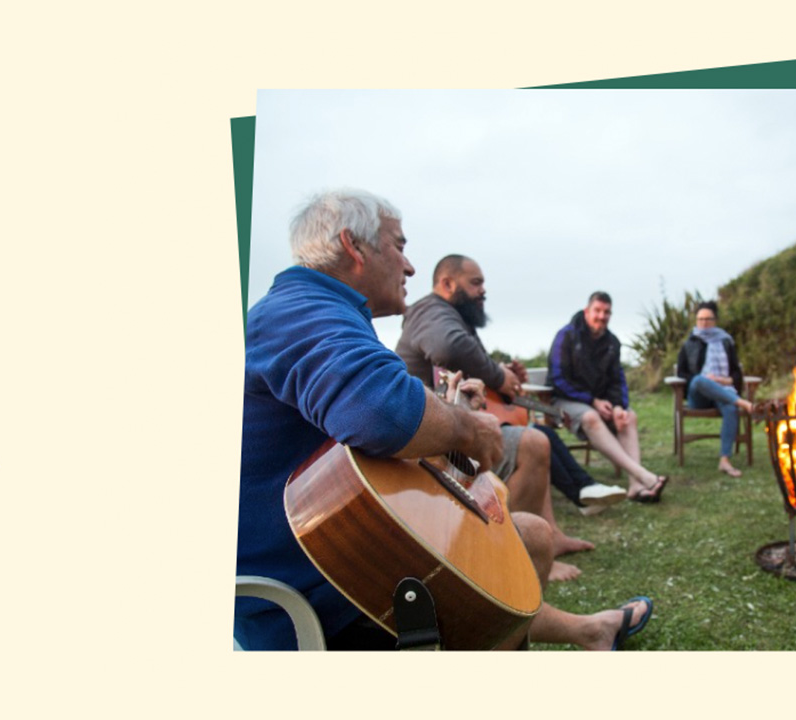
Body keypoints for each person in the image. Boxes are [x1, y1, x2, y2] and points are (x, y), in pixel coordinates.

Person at [236, 189, 652, 651]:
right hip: (320, 590)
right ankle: (577, 633)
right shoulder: (302, 312)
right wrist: (469, 429)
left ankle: (590, 630)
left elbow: (357, 419)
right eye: (399, 245)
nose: (410, 266)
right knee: (529, 538)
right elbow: (380, 412)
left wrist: (447, 408)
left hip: (338, 558)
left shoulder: (311, 311)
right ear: (354, 246)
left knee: (531, 532)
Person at [395, 256, 626, 562]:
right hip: (432, 444)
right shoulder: (430, 310)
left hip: (448, 431)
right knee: (533, 442)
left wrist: (502, 371)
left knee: (535, 436)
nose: (483, 291)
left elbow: (463, 362)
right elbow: (449, 347)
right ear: (447, 284)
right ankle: (518, 554)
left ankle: (551, 537)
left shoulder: (449, 315)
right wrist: (499, 376)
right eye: (475, 283)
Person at [548, 292, 668, 503]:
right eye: (598, 311)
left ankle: (635, 486)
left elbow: (617, 380)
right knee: (591, 417)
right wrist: (591, 400)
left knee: (629, 417)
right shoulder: (566, 336)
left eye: (607, 312)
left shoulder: (612, 342)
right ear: (587, 311)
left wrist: (618, 407)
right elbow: (558, 380)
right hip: (564, 401)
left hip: (599, 402)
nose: (602, 316)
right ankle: (643, 475)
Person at [675, 301, 753, 477]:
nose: (703, 323)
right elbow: (682, 372)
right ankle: (744, 403)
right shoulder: (690, 343)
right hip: (699, 396)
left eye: (707, 319)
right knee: (699, 380)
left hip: (723, 391)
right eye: (700, 319)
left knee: (730, 408)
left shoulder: (726, 342)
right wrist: (706, 380)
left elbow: (736, 372)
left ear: (715, 320)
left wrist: (723, 379)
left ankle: (724, 460)